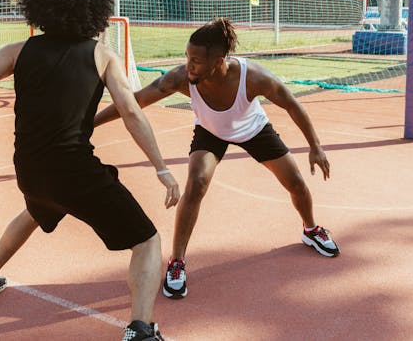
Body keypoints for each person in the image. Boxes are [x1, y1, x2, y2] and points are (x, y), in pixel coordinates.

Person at [0, 0, 179, 341]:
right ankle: (141, 330)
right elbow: (132, 113)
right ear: (94, 12)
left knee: (35, 211)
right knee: (147, 240)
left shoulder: (18, 51)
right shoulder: (102, 56)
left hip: (30, 168)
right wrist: (161, 169)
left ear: (42, 8)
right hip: (73, 170)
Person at [94, 17, 339, 301]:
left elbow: (292, 104)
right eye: (187, 57)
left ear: (219, 61)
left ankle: (311, 229)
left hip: (253, 129)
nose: (189, 65)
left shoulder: (254, 77)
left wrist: (315, 146)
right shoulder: (181, 78)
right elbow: (133, 101)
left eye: (196, 60)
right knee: (196, 183)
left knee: (296, 183)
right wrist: (91, 123)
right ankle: (177, 262)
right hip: (211, 131)